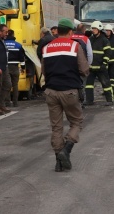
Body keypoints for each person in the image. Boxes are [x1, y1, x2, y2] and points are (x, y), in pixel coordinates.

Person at [41, 18, 89, 172]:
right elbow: (84, 70)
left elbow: (43, 71)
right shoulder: (75, 46)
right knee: (76, 122)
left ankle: (58, 162)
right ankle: (66, 150)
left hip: (51, 91)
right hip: (69, 91)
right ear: (70, 32)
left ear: (57, 31)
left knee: (56, 128)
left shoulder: (47, 47)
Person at [85, 21, 114, 106]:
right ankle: (89, 100)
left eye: (95, 29)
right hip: (91, 67)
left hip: (101, 67)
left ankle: (110, 100)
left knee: (106, 84)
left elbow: (108, 53)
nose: (93, 30)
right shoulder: (90, 39)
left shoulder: (104, 40)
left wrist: (104, 63)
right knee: (89, 85)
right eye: (92, 28)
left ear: (99, 29)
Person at [5, 29, 26, 106]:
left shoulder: (3, 44)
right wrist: (23, 67)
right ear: (13, 35)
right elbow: (22, 58)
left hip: (6, 67)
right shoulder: (18, 45)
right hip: (15, 67)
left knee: (7, 85)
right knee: (15, 85)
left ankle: (7, 102)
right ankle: (15, 102)